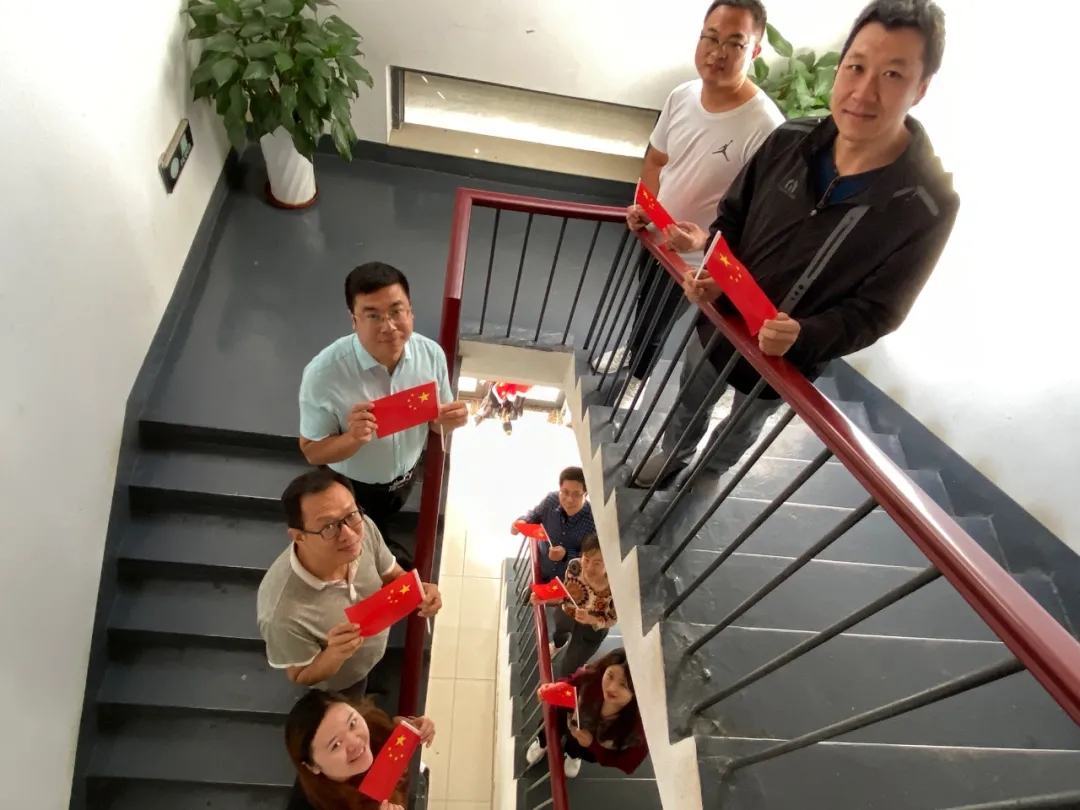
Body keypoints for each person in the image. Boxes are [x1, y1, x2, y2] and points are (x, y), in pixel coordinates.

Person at [635, 0, 958, 489]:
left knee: (741, 430)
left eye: (892, 75)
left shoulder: (925, 204)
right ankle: (673, 457)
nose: (864, 92)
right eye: (856, 67)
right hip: (721, 324)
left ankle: (706, 477)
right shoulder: (789, 141)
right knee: (689, 399)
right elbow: (732, 216)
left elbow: (879, 310)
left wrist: (804, 335)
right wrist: (715, 274)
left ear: (922, 88)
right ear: (840, 67)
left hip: (787, 361)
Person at [615, 0, 784, 390]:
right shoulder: (682, 95)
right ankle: (633, 359)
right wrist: (647, 206)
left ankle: (636, 379)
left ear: (755, 51)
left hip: (699, 263)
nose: (718, 52)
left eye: (734, 43)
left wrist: (704, 242)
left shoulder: (767, 128)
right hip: (657, 237)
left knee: (664, 322)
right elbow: (657, 160)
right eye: (711, 37)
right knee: (645, 306)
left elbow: (763, 221)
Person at [298, 262, 469, 557]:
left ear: (411, 311)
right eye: (373, 315)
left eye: (396, 311)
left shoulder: (432, 356)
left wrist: (448, 420)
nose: (388, 327)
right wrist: (351, 438)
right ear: (354, 320)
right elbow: (312, 452)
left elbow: (436, 422)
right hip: (353, 484)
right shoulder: (323, 375)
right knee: (358, 536)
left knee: (386, 517)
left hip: (406, 475)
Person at [257, 469, 443, 699]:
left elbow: (392, 574)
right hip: (341, 683)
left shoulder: (362, 528)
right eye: (328, 526)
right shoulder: (280, 613)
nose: (349, 535)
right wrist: (335, 654)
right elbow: (300, 674)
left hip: (374, 650)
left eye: (351, 514)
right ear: (299, 536)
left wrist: (420, 591)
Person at [284, 689, 436, 810]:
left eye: (352, 724)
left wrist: (414, 727)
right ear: (312, 766)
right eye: (336, 744)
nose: (356, 743)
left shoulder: (374, 725)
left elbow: (394, 729)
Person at [525, 648, 647, 778]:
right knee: (551, 725)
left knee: (579, 748)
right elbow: (573, 680)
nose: (611, 688)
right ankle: (543, 742)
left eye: (623, 685)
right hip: (569, 715)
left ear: (637, 692)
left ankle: (573, 754)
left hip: (592, 746)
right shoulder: (594, 677)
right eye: (610, 676)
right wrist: (554, 689)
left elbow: (628, 764)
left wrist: (592, 745)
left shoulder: (640, 728)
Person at [531, 534, 617, 679]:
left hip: (592, 630)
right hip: (567, 612)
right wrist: (545, 599)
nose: (589, 568)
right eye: (586, 559)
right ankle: (557, 645)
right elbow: (566, 593)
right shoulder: (575, 566)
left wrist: (591, 619)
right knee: (559, 632)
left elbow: (612, 619)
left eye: (597, 563)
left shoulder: (615, 586)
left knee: (570, 666)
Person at [512, 466, 596, 583]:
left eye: (576, 494)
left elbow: (591, 559)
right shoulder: (551, 501)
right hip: (541, 569)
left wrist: (566, 555)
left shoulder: (594, 521)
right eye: (565, 492)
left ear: (585, 494)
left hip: (567, 580)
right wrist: (522, 521)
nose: (569, 499)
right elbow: (534, 515)